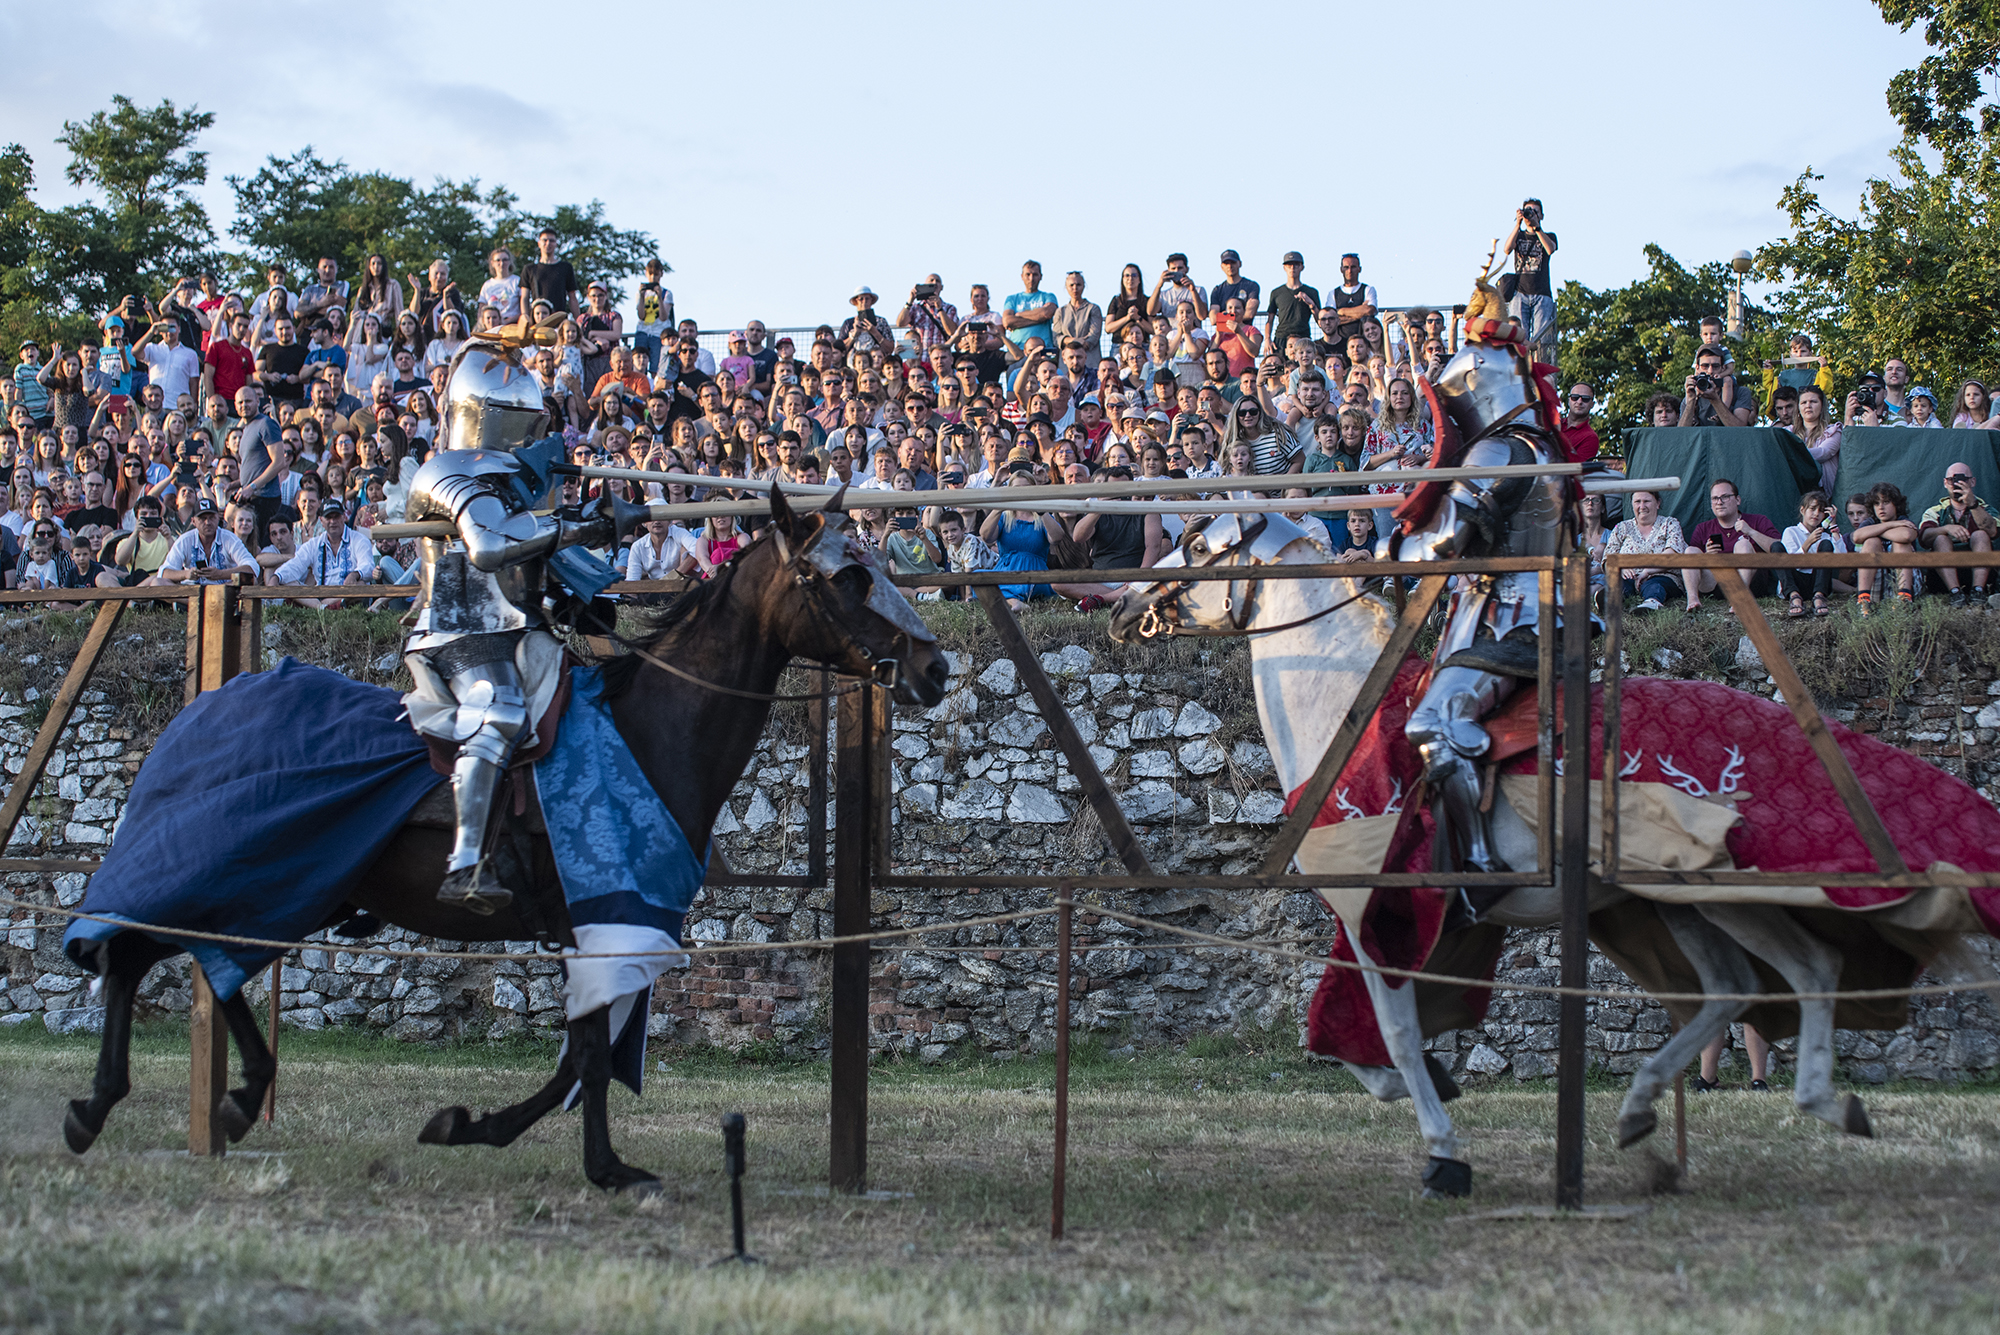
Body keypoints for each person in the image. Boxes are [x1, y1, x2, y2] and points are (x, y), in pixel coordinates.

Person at [400, 324, 634, 913]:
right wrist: (587, 525)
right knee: (499, 709)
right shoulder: (446, 471)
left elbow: (534, 568)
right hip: (461, 631)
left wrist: (584, 558)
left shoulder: (519, 483)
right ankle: (466, 865)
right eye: (516, 419)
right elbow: (489, 545)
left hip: (522, 630)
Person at [1380, 316, 1574, 884]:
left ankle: (1477, 870)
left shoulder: (1495, 453)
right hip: (1546, 613)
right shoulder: (1543, 446)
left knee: (1431, 725)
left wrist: (1392, 543)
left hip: (1507, 625)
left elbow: (1438, 548)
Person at [1687, 478, 1780, 605]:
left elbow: (1779, 548)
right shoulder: (1703, 528)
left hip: (1753, 583)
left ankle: (1740, 598)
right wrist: (1706, 556)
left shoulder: (1758, 521)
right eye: (1715, 498)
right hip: (1715, 585)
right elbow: (1692, 562)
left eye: (1725, 497)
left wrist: (1751, 532)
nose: (1719, 502)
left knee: (1743, 545)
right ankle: (1692, 600)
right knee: (1690, 551)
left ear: (1738, 500)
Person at [1606, 489, 1699, 612]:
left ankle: (1652, 603)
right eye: (1637, 502)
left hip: (1662, 575)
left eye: (1647, 501)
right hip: (1629, 577)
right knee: (1619, 586)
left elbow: (1671, 555)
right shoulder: (1622, 527)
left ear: (1658, 503)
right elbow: (1608, 557)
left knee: (1655, 585)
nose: (1642, 506)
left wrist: (1647, 571)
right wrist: (1620, 567)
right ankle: (1608, 602)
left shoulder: (1669, 524)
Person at [1918, 464, 1997, 607]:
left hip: (1982, 575)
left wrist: (1973, 504)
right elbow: (1924, 537)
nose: (1955, 484)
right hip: (1942, 577)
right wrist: (1946, 528)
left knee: (1980, 535)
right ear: (1944, 483)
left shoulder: (1984, 508)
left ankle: (1978, 591)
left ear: (1972, 482)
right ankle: (1955, 592)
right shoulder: (1935, 511)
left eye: (1961, 479)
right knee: (1941, 538)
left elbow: (1993, 531)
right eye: (1951, 480)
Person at [1851, 481, 1920, 612]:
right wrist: (1891, 525)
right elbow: (1856, 537)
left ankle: (1904, 599)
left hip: (1907, 584)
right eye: (1876, 503)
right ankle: (1863, 601)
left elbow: (1906, 535)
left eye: (1886, 502)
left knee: (1900, 543)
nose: (1881, 507)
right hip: (1877, 587)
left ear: (1896, 504)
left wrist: (1876, 530)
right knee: (1871, 542)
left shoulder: (1904, 519)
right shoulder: (1871, 522)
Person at [1502, 198, 1558, 358]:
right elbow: (1506, 249)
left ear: (1541, 215)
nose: (1531, 214)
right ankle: (1521, 368)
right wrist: (1517, 224)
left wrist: (1537, 227)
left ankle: (1539, 366)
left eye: (1534, 211)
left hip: (1542, 293)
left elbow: (1549, 249)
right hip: (1520, 292)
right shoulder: (1518, 235)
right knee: (1519, 336)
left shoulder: (1549, 235)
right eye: (1528, 210)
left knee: (1542, 338)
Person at [1780, 489, 1847, 619]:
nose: (1816, 514)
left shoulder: (1826, 536)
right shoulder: (1791, 532)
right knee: (1776, 547)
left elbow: (1843, 560)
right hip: (1796, 582)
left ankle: (1819, 597)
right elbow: (1791, 565)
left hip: (1817, 582)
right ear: (1802, 510)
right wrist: (1807, 543)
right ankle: (1794, 597)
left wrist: (1833, 526)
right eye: (1812, 508)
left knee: (1826, 545)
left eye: (1821, 510)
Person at [158, 498, 259, 584]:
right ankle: (197, 602)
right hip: (192, 591)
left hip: (224, 590)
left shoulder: (229, 538)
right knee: (157, 582)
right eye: (202, 518)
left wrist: (220, 574)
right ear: (193, 521)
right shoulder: (185, 539)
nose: (207, 522)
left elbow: (253, 568)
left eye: (212, 518)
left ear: (218, 519)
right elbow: (164, 572)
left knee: (250, 580)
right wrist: (186, 574)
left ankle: (195, 603)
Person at [1678, 345, 1755, 427]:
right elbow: (1682, 434)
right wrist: (1691, 401)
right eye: (1705, 366)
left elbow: (1739, 429)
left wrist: (1715, 400)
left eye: (1715, 366)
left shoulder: (1741, 392)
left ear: (1723, 368)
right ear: (1697, 368)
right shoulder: (1690, 397)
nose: (1710, 371)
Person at [1264, 252, 1319, 358]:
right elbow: (1269, 320)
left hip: (1303, 336)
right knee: (1279, 369)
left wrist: (1310, 303)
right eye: (1289, 265)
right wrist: (1267, 339)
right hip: (1281, 338)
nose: (1292, 268)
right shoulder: (1277, 292)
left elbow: (1319, 319)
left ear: (1302, 267)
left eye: (1296, 265)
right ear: (1284, 268)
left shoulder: (1311, 292)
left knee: (1304, 369)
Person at [1796, 385, 1842, 494]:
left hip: (1826, 496)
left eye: (1813, 401)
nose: (1808, 405)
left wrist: (1792, 452)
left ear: (1822, 406)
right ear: (1798, 407)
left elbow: (1823, 453)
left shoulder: (1834, 430)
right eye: (1803, 402)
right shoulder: (1788, 432)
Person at [1559, 384, 1600, 461]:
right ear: (1569, 401)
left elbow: (1578, 470)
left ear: (1592, 404)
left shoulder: (1590, 437)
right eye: (1574, 397)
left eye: (1585, 399)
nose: (1579, 401)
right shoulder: (1554, 424)